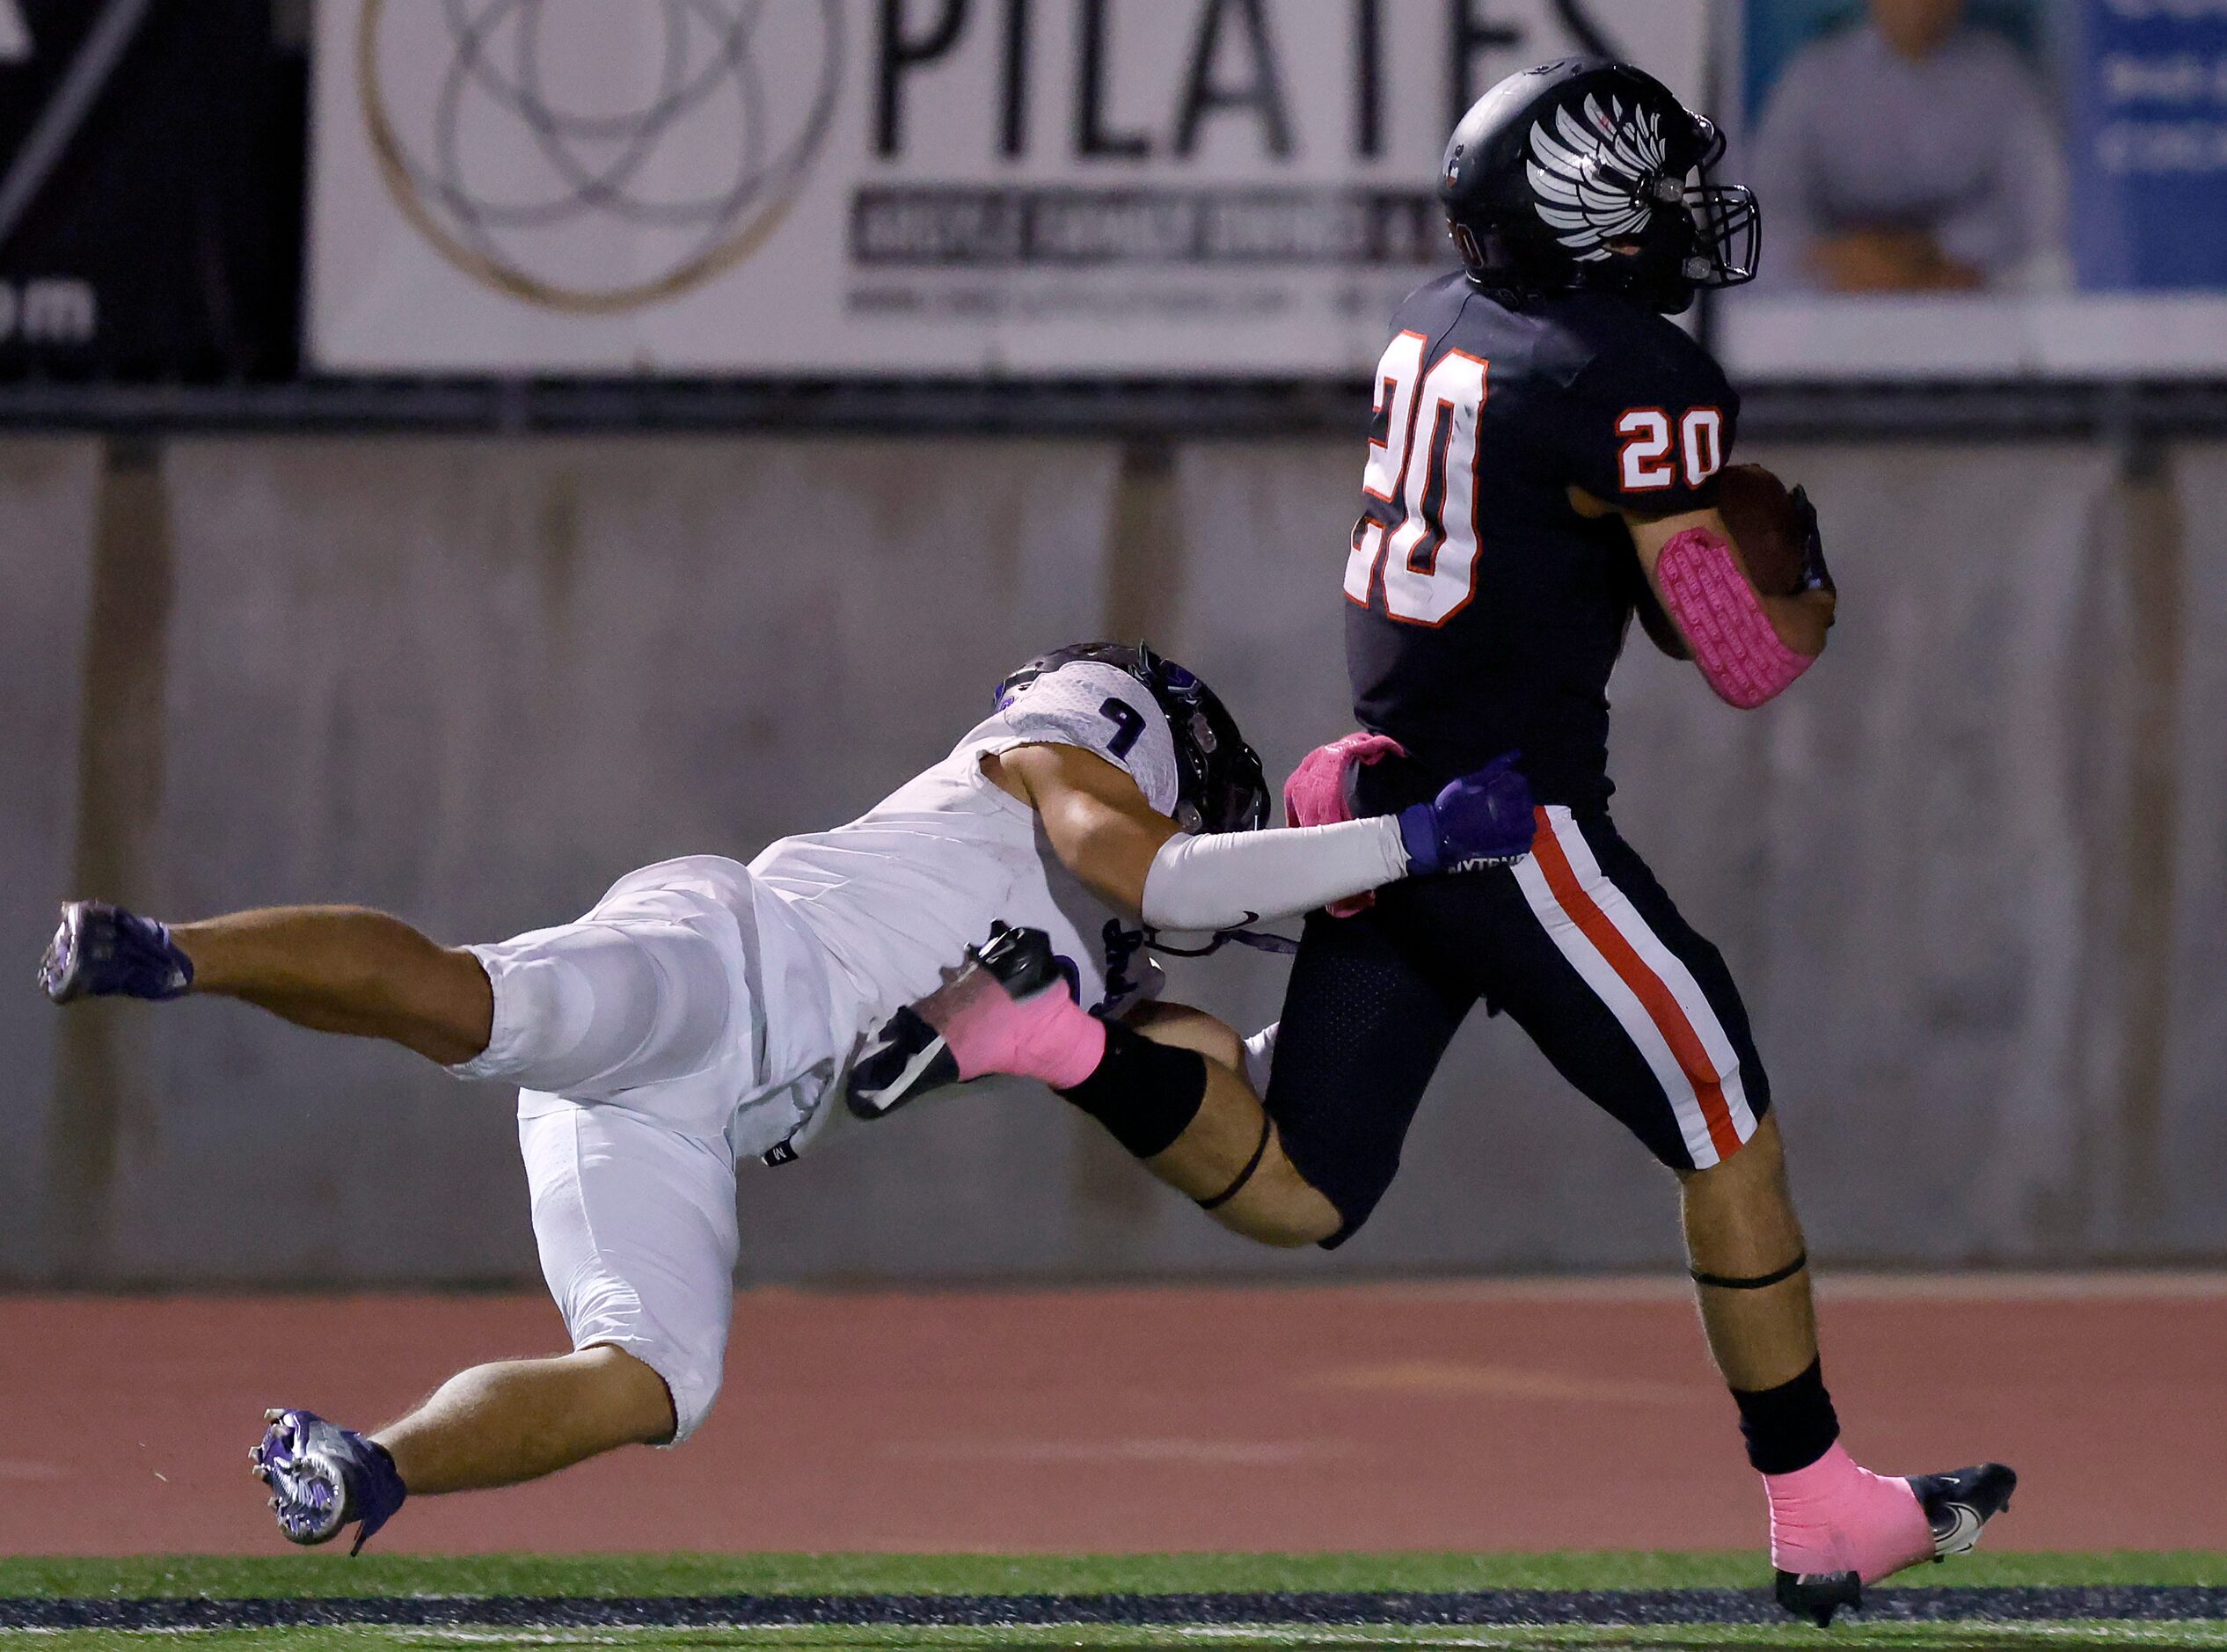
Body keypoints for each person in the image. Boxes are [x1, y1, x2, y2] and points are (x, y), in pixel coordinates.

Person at [892, 62, 2013, 1627]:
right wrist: (1800, 564)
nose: (1687, 213)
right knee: (1724, 1113)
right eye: (1657, 185)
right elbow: (1740, 656)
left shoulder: (1442, 315)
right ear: (1585, 207)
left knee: (1303, 1184)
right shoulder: (1634, 373)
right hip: (1511, 826)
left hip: (1378, 807)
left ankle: (1052, 1034)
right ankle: (1819, 1506)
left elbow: (1539, 551)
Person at [38, 640, 1533, 1555]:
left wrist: (1399, 982)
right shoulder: (1065, 752)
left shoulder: (1108, 992)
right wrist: (1407, 843)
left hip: (692, 1120)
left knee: (655, 1380)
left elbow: (1250, 1115)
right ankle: (170, 952)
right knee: (474, 997)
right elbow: (1169, 868)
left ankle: (364, 1456)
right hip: (728, 960)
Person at [1749, 0, 2067, 293]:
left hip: (1967, 297)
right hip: (1831, 301)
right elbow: (1764, 208)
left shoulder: (2001, 76)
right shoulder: (1814, 75)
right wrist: (1834, 258)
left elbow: (2041, 207)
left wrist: (1938, 255)